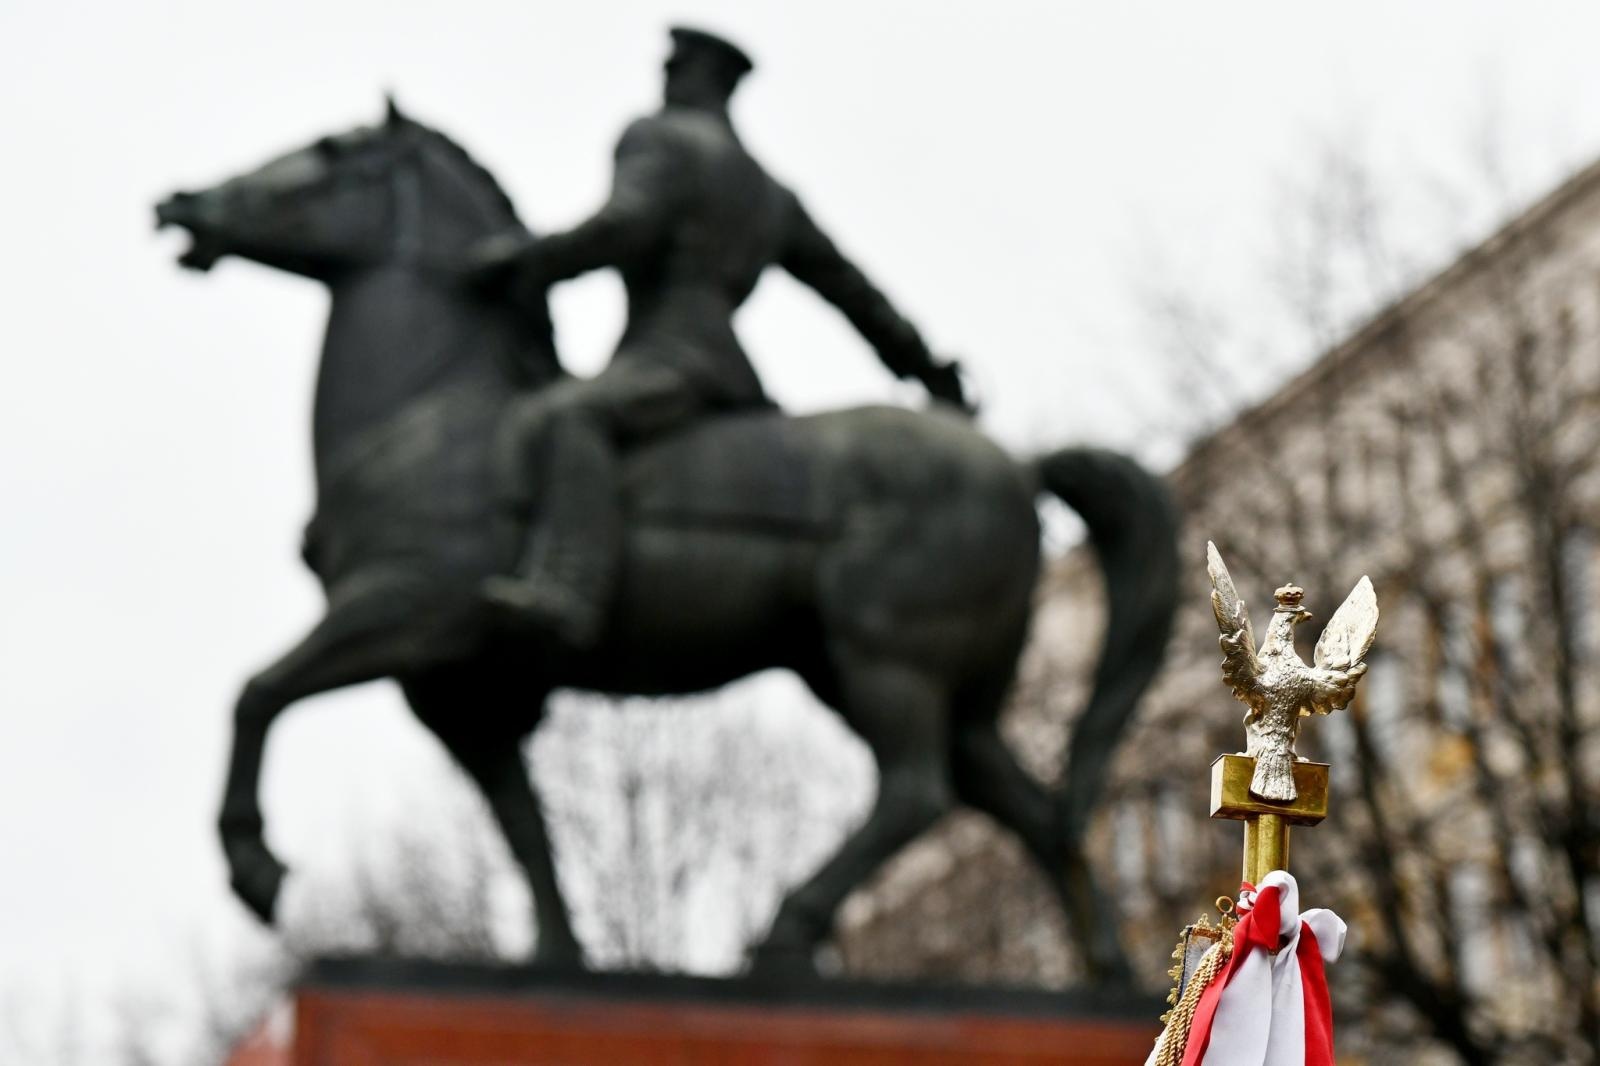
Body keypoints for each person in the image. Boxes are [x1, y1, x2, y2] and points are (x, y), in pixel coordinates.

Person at [474, 26, 971, 646]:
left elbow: (624, 225)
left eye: (675, 66)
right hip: (727, 367)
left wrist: (524, 262)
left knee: (570, 415)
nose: (665, 77)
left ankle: (567, 588)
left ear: (697, 75)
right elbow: (851, 289)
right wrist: (924, 366)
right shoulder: (767, 189)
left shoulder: (660, 137)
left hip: (670, 355)